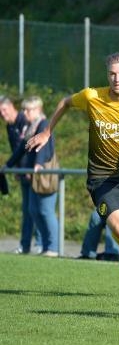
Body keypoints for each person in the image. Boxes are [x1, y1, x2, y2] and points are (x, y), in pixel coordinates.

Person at [25, 52, 119, 299]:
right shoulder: (92, 96)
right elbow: (64, 103)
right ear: (108, 75)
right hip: (101, 178)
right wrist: (47, 132)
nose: (117, 79)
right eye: (113, 74)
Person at [5, 96, 59, 256]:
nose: (24, 112)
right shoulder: (30, 127)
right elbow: (22, 149)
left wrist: (39, 163)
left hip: (44, 175)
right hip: (34, 176)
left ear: (38, 110)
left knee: (45, 210)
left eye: (28, 109)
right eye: (24, 109)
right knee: (34, 210)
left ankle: (53, 247)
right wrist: (8, 165)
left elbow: (45, 147)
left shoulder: (43, 124)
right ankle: (45, 247)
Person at [0, 95, 41, 254]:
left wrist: (29, 168)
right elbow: (16, 150)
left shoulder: (26, 121)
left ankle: (40, 243)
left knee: (36, 209)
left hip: (32, 173)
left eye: (4, 110)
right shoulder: (9, 126)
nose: (3, 114)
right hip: (23, 173)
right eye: (0, 112)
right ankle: (25, 246)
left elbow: (29, 147)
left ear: (11, 107)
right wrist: (16, 167)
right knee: (27, 210)